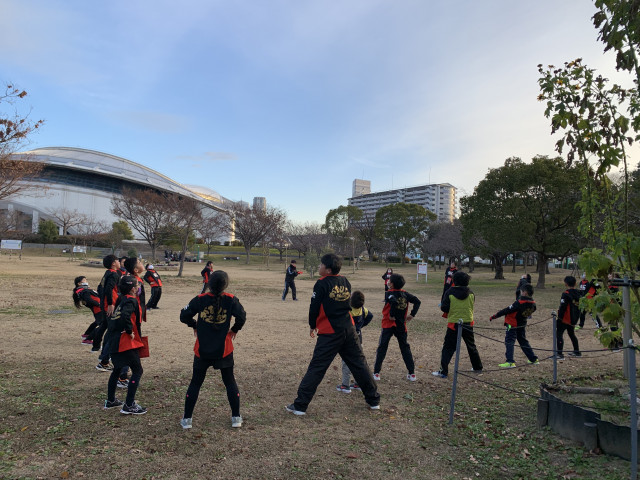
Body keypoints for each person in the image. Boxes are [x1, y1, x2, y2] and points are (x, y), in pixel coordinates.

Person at [286, 254, 380, 415]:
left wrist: (312, 325)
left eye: (321, 264)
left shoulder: (321, 283)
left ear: (328, 270)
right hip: (349, 329)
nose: (319, 267)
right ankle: (374, 400)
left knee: (317, 367)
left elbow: (314, 306)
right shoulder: (345, 281)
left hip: (330, 332)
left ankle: (300, 405)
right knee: (359, 364)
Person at [179, 270, 246, 429]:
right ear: (226, 285)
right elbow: (242, 316)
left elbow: (183, 315)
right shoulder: (231, 300)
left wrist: (194, 324)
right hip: (224, 350)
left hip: (202, 350)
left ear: (209, 283)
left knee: (196, 383)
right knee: (229, 382)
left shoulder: (200, 299)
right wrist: (234, 329)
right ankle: (236, 418)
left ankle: (187, 419)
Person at [103, 275, 147, 414]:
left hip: (114, 340)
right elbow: (124, 316)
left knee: (117, 369)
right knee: (137, 370)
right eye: (137, 286)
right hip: (125, 342)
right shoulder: (131, 301)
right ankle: (129, 405)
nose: (139, 288)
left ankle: (111, 400)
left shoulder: (121, 299)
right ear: (133, 289)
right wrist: (129, 330)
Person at [432, 271, 483, 378]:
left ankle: (443, 371)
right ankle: (477, 367)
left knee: (448, 348)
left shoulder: (449, 292)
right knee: (471, 346)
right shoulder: (471, 293)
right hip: (468, 322)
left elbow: (444, 308)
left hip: (454, 323)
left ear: (454, 281)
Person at [372, 274, 421, 381]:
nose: (388, 282)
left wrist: (392, 314)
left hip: (388, 324)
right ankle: (412, 373)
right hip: (401, 324)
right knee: (404, 348)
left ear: (392, 284)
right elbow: (417, 301)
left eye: (389, 280)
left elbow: (393, 301)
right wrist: (412, 314)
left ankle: (376, 373)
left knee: (382, 347)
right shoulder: (405, 294)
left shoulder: (389, 293)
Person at [490, 283, 539, 367]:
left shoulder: (519, 302)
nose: (520, 293)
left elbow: (507, 310)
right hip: (522, 324)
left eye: (521, 291)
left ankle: (510, 362)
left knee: (509, 341)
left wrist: (495, 316)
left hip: (512, 324)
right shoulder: (533, 304)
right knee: (523, 341)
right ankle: (533, 359)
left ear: (525, 292)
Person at [337, 291, 373, 393]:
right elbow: (370, 316)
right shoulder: (363, 310)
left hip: (347, 339)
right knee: (359, 362)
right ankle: (359, 383)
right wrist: (360, 325)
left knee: (346, 362)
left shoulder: (347, 310)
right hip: (358, 339)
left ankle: (345, 385)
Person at [93, 255, 122, 372]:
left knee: (109, 331)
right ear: (113, 263)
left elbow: (100, 288)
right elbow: (108, 289)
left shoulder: (107, 273)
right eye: (118, 261)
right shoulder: (113, 274)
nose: (119, 262)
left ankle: (104, 358)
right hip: (110, 306)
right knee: (112, 333)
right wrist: (110, 303)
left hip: (105, 305)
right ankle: (104, 361)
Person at [556, 275, 581, 359]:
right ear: (575, 283)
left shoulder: (566, 294)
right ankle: (577, 351)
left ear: (566, 284)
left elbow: (562, 307)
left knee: (559, 334)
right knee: (571, 334)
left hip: (565, 318)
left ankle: (559, 354)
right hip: (574, 318)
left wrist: (559, 318)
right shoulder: (579, 293)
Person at [72, 276, 102, 345]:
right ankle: (88, 339)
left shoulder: (84, 290)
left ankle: (86, 334)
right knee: (103, 325)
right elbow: (89, 300)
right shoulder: (83, 291)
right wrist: (98, 304)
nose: (86, 282)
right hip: (98, 309)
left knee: (98, 322)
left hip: (98, 308)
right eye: (84, 280)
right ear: (79, 283)